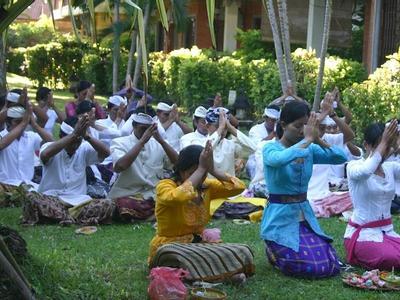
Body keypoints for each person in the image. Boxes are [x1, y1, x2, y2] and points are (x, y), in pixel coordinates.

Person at [261, 100, 347, 278]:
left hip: (304, 216)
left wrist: (317, 139)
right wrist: (307, 140)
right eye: (298, 126)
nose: (302, 131)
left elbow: (340, 156)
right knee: (308, 267)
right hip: (279, 219)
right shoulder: (270, 148)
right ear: (283, 125)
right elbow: (278, 160)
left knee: (329, 264)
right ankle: (272, 249)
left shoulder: (310, 148)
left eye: (305, 126)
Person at [148, 142, 255, 283]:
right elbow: (178, 197)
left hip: (198, 244)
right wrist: (201, 169)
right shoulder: (166, 186)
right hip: (170, 248)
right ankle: (221, 275)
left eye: (204, 173)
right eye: (194, 172)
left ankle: (211, 275)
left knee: (243, 250)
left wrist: (213, 170)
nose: (200, 177)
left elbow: (239, 187)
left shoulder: (207, 187)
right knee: (187, 255)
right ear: (181, 170)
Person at [22, 116, 114, 225]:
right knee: (31, 198)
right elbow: (45, 154)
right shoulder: (50, 147)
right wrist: (74, 134)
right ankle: (72, 217)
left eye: (78, 140)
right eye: (72, 140)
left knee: (109, 204)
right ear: (62, 137)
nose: (75, 144)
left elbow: (106, 153)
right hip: (52, 199)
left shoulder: (83, 149)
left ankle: (62, 217)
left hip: (79, 202)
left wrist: (86, 136)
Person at [344, 120, 400, 270]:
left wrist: (396, 143)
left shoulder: (390, 168)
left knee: (394, 257)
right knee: (390, 258)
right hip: (362, 235)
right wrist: (384, 144)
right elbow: (366, 171)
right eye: (378, 146)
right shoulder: (354, 166)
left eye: (387, 147)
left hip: (387, 233)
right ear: (366, 145)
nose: (383, 151)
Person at [109, 113, 179, 222]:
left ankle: (149, 214)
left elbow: (178, 164)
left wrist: (162, 141)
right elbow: (120, 166)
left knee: (177, 198)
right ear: (134, 126)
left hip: (153, 195)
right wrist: (141, 142)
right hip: (128, 194)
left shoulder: (158, 144)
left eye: (149, 129)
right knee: (122, 205)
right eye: (143, 129)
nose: (147, 133)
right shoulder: (119, 143)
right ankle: (154, 214)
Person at [307, 93, 356, 217]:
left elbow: (350, 136)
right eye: (319, 127)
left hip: (325, 193)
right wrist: (325, 111)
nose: (322, 131)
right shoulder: (302, 141)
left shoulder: (329, 138)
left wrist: (332, 114)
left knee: (355, 196)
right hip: (306, 194)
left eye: (324, 127)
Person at [0, 101, 53, 188]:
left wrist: (35, 125)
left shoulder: (30, 136)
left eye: (24, 121)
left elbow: (51, 142)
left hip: (28, 186)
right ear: (8, 122)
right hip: (5, 186)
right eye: (17, 122)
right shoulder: (2, 136)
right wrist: (24, 122)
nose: (22, 125)